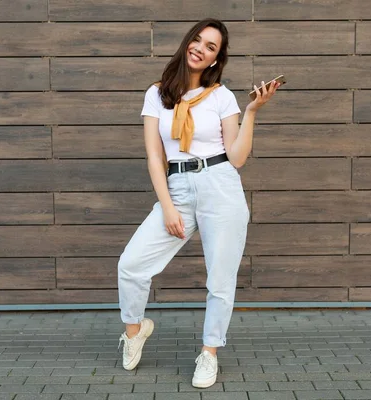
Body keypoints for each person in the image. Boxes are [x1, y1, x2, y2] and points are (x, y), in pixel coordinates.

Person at [117, 18, 280, 388]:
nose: (200, 49)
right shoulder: (157, 94)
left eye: (211, 47)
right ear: (187, 42)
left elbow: (236, 157)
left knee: (220, 280)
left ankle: (209, 353)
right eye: (198, 40)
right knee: (131, 265)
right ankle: (135, 330)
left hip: (220, 186)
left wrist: (252, 112)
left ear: (215, 60)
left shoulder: (222, 97)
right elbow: (155, 157)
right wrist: (169, 206)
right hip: (176, 188)